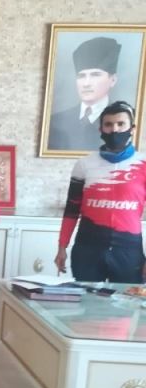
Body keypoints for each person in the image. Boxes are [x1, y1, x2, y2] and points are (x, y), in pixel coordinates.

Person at [55, 101, 146, 282]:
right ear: (101, 129)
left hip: (128, 250)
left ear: (132, 128)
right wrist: (62, 247)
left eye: (121, 124)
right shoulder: (84, 164)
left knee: (127, 300)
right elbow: (71, 210)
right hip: (87, 248)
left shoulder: (143, 164)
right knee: (86, 300)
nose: (114, 130)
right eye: (108, 124)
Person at [48, 37, 121, 151]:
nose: (86, 84)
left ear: (113, 80)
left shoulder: (122, 122)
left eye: (95, 75)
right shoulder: (55, 121)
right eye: (81, 76)